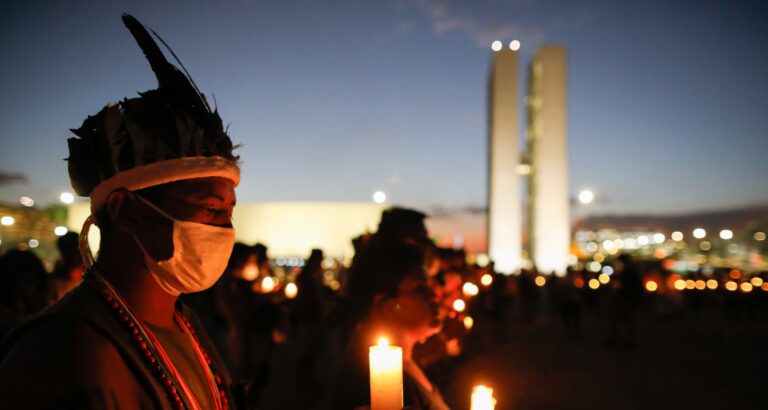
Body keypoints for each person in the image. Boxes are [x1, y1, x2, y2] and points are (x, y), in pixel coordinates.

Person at [0, 14, 240, 409]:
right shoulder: (63, 355)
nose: (226, 228)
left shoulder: (187, 325)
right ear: (126, 210)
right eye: (211, 208)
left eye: (229, 211)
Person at [334, 242, 448, 410]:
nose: (434, 295)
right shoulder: (375, 378)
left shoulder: (406, 361)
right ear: (387, 306)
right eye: (419, 289)